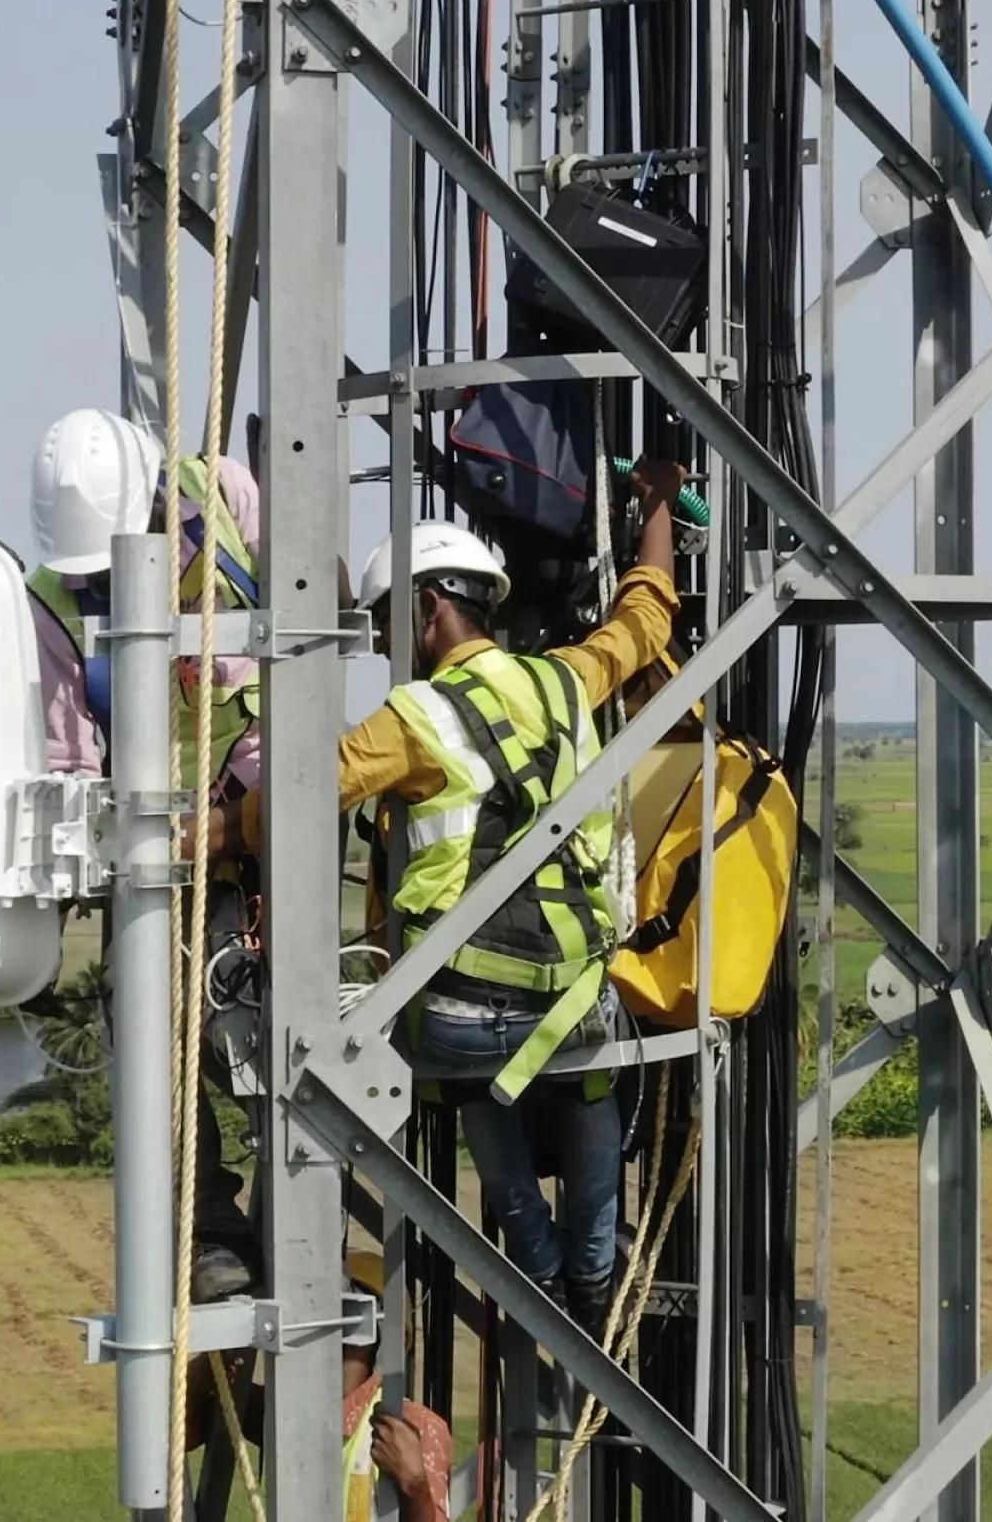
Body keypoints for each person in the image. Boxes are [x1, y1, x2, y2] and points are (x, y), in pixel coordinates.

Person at [215, 459, 685, 1332]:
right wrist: (656, 506)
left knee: (469, 1071)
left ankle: (540, 1274)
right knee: (583, 1072)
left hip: (463, 1018)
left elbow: (301, 797)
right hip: (573, 998)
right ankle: (591, 1275)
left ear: (428, 611)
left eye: (395, 623)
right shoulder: (565, 680)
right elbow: (645, 616)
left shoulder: (413, 719)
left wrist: (205, 835)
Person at [25, 406, 266, 1301]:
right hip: (154, 845)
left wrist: (256, 816)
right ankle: (211, 1233)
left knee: (266, 1033)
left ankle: (300, 1208)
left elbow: (305, 621)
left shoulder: (227, 496)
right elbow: (67, 759)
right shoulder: (52, 599)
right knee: (151, 1039)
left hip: (265, 818)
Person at [185, 1252, 456, 1522]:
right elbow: (182, 1435)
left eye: (348, 1335)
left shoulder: (416, 1426)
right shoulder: (291, 1414)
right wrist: (206, 1370)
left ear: (386, 1343)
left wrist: (415, 1487)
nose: (333, 1349)